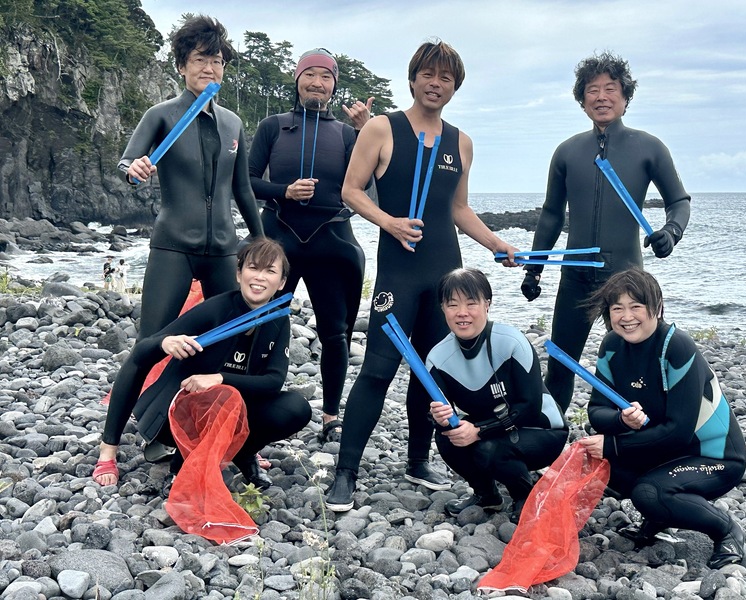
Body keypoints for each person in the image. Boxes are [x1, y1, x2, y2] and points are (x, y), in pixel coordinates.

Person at [326, 39, 518, 511]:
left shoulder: (461, 142)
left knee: (431, 373)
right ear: (412, 79)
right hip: (399, 274)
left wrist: (497, 244)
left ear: (455, 87)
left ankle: (417, 461)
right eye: (428, 75)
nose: (436, 84)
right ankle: (345, 472)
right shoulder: (381, 128)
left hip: (445, 276)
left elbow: (457, 209)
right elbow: (351, 190)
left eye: (446, 78)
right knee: (377, 369)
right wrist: (387, 221)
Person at [522, 52, 691, 412]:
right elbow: (552, 215)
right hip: (575, 277)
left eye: (610, 89)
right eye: (592, 90)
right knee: (561, 365)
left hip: (626, 279)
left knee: (636, 365)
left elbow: (679, 200)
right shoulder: (567, 152)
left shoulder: (649, 147)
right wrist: (533, 268)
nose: (601, 96)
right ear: (582, 102)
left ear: (625, 98)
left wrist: (671, 232)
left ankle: (641, 439)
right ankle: (548, 443)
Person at [91, 239, 309, 496]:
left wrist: (219, 378)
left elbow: (273, 381)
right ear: (239, 274)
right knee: (217, 399)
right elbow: (140, 355)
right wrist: (165, 343)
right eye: (253, 268)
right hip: (177, 418)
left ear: (282, 283)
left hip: (229, 409)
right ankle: (180, 465)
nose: (260, 277)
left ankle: (243, 452)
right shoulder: (216, 309)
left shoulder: (277, 319)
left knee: (296, 407)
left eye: (270, 271)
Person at [575, 269, 746, 569]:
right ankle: (659, 517)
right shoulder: (613, 347)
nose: (626, 317)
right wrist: (621, 422)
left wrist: (614, 446)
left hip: (714, 456)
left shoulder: (676, 347)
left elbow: (679, 432)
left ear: (656, 307)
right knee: (597, 464)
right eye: (617, 308)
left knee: (648, 492)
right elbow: (597, 412)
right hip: (666, 452)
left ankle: (727, 529)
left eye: (636, 307)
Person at [249, 48, 372, 444]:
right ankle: (250, 404)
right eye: (310, 75)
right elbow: (247, 181)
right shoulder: (273, 126)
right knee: (258, 322)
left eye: (326, 76)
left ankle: (331, 415)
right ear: (297, 80)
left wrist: (367, 130)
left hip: (332, 240)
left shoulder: (348, 133)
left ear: (335, 85)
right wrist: (283, 191)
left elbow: (369, 185)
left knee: (336, 334)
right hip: (279, 237)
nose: (317, 82)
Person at [119, 15, 264, 340]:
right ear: (182, 66)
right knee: (151, 341)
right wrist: (133, 171)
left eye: (217, 61)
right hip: (174, 245)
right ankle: (138, 393)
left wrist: (261, 240)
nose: (209, 68)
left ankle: (202, 391)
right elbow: (128, 163)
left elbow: (242, 189)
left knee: (231, 338)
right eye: (200, 59)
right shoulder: (161, 115)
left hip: (224, 249)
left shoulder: (232, 124)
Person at [426, 268, 566, 519]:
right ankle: (486, 494)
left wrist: (479, 431)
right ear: (442, 308)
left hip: (542, 430)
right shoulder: (437, 358)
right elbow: (443, 414)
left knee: (488, 449)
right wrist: (439, 417)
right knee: (447, 436)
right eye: (453, 305)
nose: (462, 313)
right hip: (494, 428)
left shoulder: (511, 342)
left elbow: (530, 407)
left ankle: (525, 495)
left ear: (487, 305)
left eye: (471, 303)